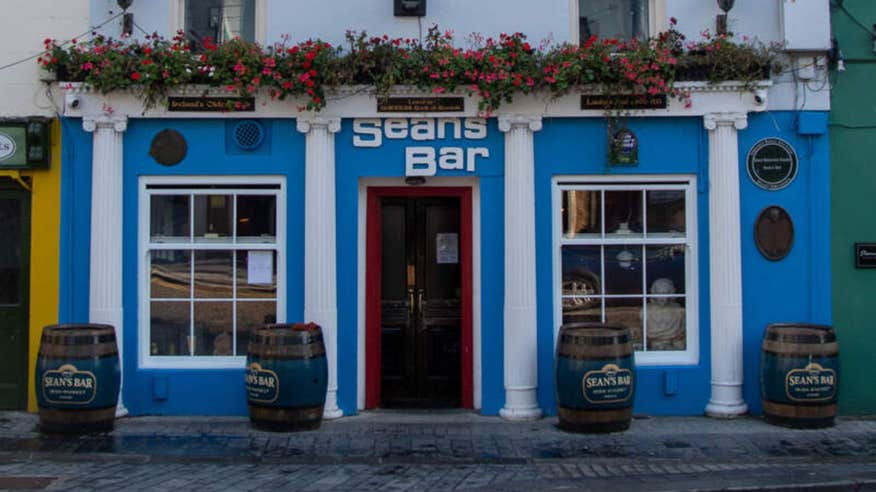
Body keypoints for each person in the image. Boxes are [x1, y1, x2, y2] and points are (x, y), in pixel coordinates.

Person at [643, 278, 685, 350]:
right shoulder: (645, 311)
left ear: (671, 294)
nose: (662, 298)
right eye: (659, 293)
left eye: (665, 293)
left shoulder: (679, 311)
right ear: (654, 293)